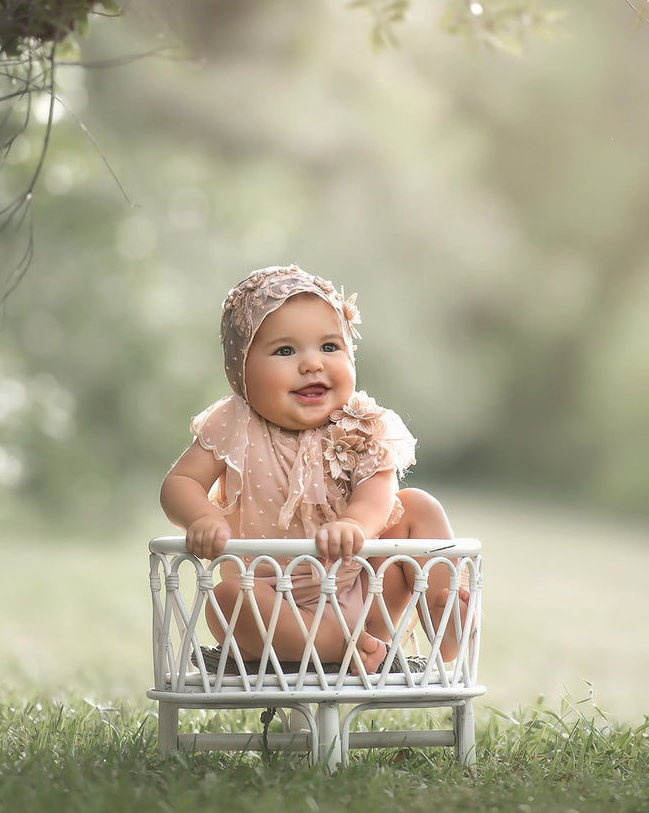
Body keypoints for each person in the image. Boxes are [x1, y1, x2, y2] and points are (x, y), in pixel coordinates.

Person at [160, 264, 470, 674]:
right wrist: (201, 516)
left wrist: (355, 524)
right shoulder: (235, 422)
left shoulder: (361, 421)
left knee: (418, 506)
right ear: (241, 374)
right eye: (285, 351)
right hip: (271, 598)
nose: (312, 364)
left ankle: (444, 611)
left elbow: (379, 492)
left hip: (361, 589)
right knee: (227, 599)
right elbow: (179, 482)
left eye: (329, 347)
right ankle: (339, 647)